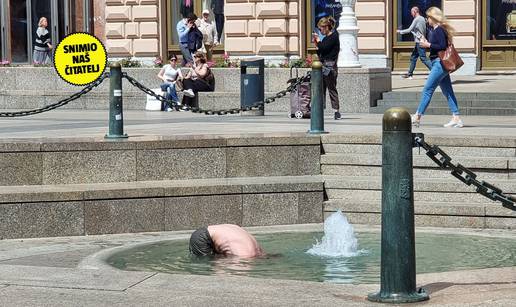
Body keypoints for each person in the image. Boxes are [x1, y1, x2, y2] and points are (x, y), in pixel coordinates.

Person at [412, 7, 464, 128]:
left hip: (439, 64)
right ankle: (456, 118)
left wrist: (427, 44)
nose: (427, 19)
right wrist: (427, 43)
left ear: (433, 17)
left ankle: (417, 116)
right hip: (440, 63)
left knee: (427, 89)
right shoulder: (437, 30)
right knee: (448, 91)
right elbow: (438, 46)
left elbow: (441, 45)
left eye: (428, 17)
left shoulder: (439, 29)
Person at [312, 16, 341, 120]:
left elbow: (324, 47)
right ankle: (320, 109)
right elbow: (321, 52)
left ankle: (336, 111)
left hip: (330, 67)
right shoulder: (326, 38)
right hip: (323, 65)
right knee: (321, 89)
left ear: (326, 27)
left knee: (331, 89)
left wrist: (319, 41)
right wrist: (317, 44)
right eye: (319, 29)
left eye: (321, 29)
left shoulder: (334, 37)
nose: (320, 31)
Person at [397, 7, 432, 79]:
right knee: (413, 57)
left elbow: (409, 29)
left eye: (411, 12)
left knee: (423, 58)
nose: (411, 14)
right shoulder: (422, 18)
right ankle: (410, 74)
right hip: (420, 41)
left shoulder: (417, 19)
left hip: (420, 41)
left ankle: (435, 72)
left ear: (415, 11)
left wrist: (400, 31)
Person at [189, 224, 264, 257]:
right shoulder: (247, 255)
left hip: (209, 232)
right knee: (204, 262)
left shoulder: (256, 250)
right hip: (203, 237)